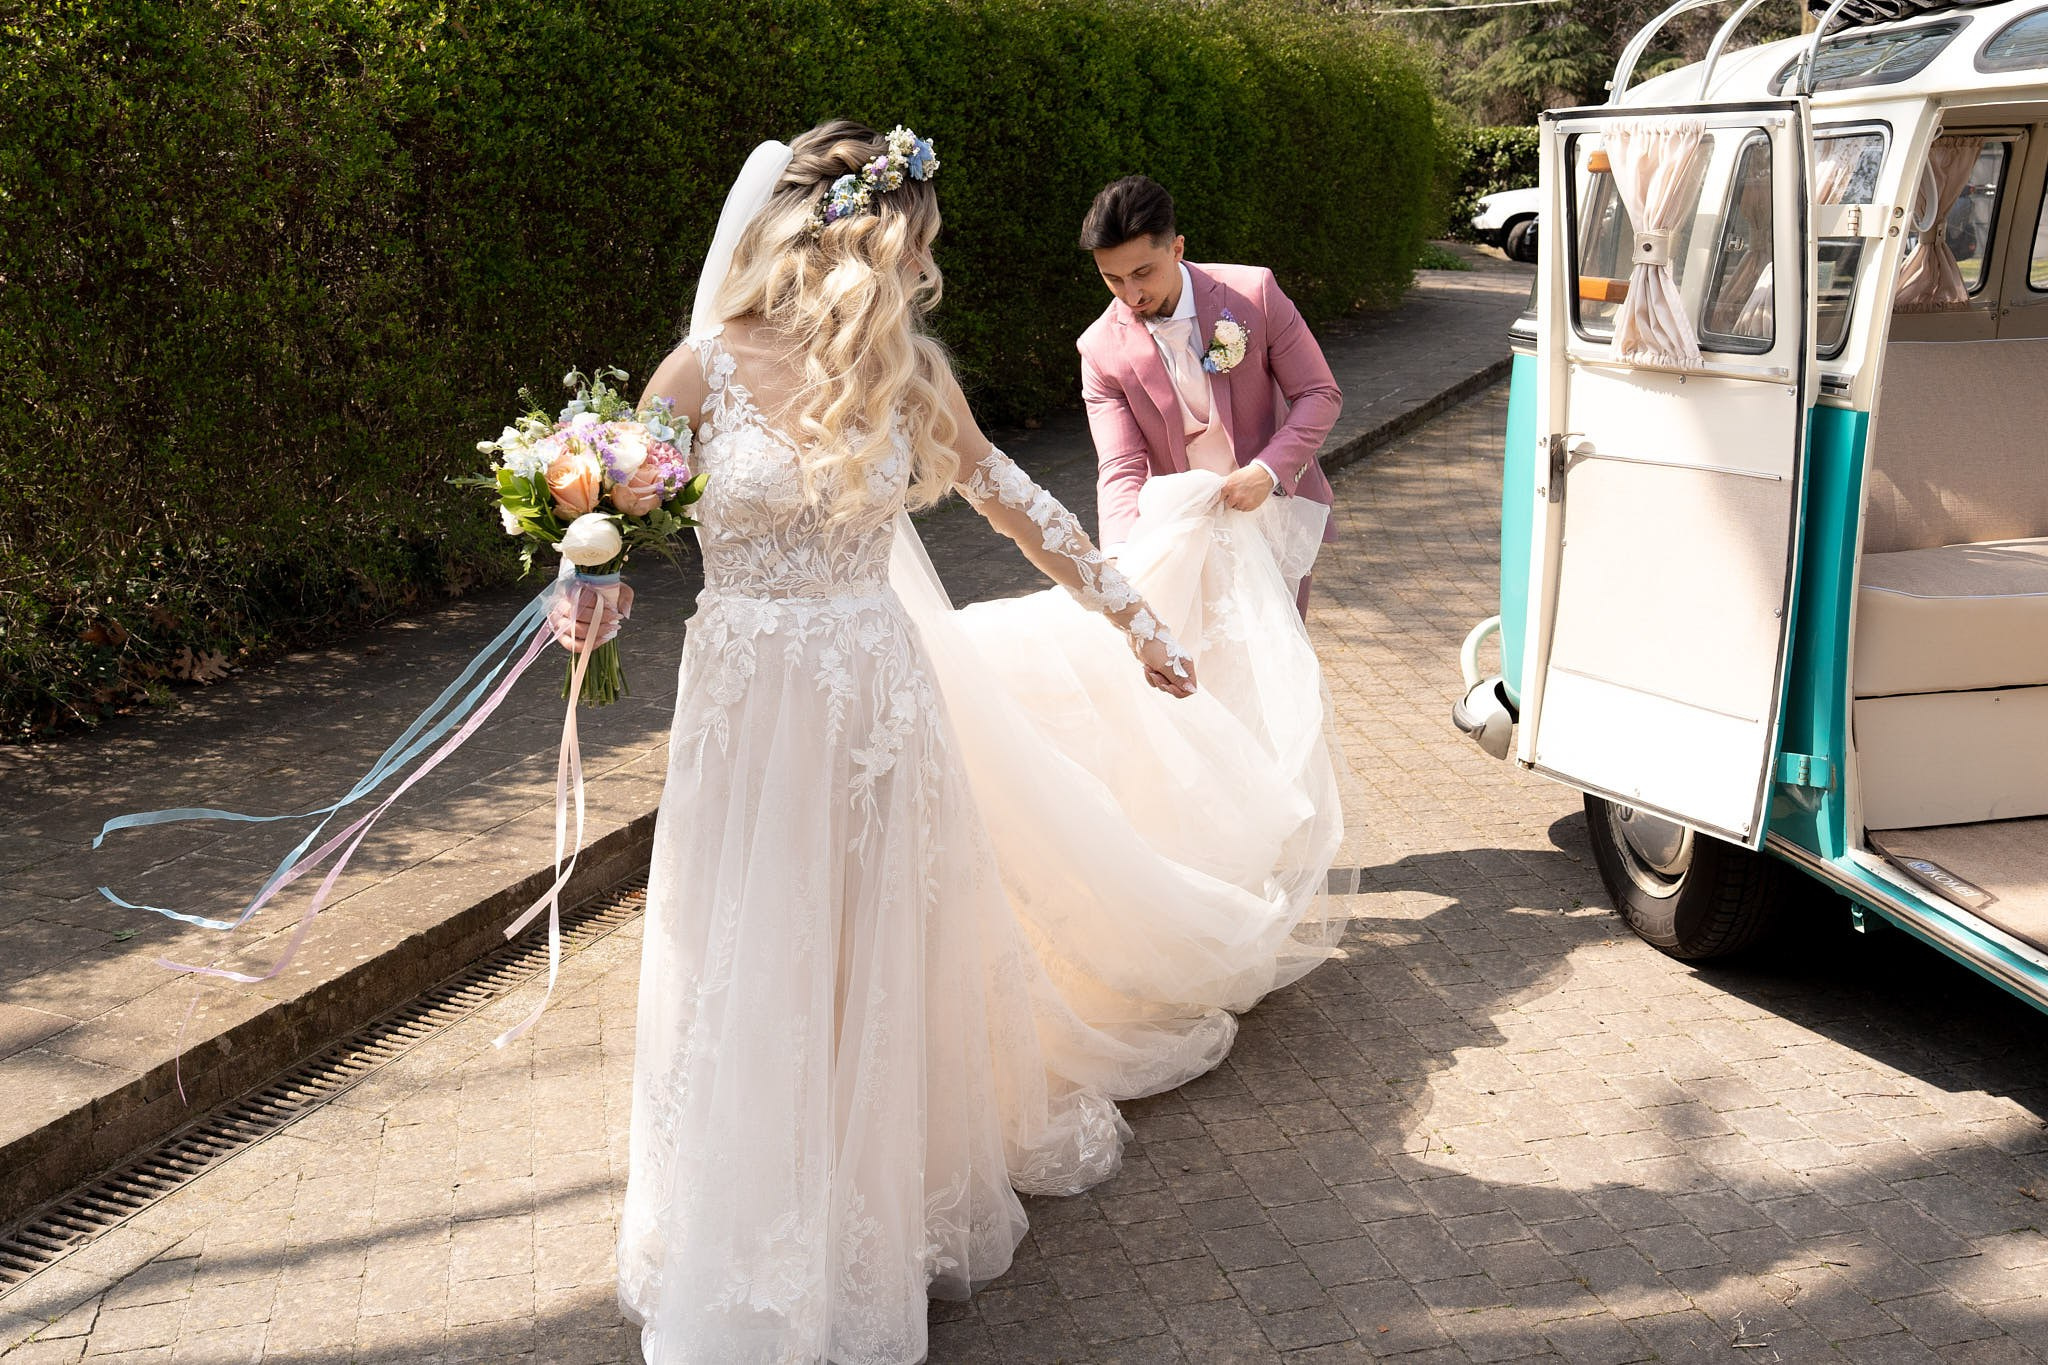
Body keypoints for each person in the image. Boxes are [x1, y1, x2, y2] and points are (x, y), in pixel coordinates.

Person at [616, 122, 1343, 1365]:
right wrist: (580, 576)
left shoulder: (904, 377)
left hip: (871, 713)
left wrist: (1132, 619)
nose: (920, 268)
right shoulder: (695, 373)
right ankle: (740, 1214)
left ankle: (863, 1218)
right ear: (864, 234)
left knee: (860, 953)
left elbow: (1024, 509)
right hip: (744, 712)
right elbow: (617, 520)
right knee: (742, 943)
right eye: (917, 244)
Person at [1076, 175, 1343, 614]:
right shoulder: (1100, 349)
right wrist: (1120, 556)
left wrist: (1267, 471)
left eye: (1143, 272)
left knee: (1278, 659)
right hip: (1185, 529)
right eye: (1113, 279)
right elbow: (1120, 465)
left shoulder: (1253, 293)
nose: (1132, 294)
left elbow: (1319, 393)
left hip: (1274, 509)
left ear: (1177, 248)